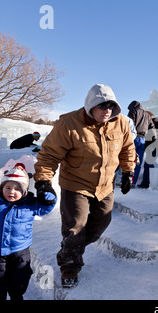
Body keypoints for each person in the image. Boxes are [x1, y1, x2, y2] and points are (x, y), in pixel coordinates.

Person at [34, 84, 136, 288]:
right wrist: (43, 181)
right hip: (76, 184)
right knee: (75, 227)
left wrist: (128, 171)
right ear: (91, 106)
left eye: (111, 106)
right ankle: (70, 265)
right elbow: (49, 155)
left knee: (101, 223)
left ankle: (70, 247)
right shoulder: (69, 123)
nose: (107, 110)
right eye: (102, 105)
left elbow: (127, 148)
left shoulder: (121, 123)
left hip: (105, 185)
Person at [0, 163, 56, 300]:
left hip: (20, 252)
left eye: (17, 188)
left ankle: (16, 296)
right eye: (8, 187)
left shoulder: (30, 205)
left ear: (24, 191)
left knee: (19, 280)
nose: (12, 191)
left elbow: (46, 207)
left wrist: (47, 194)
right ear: (1, 188)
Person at [127, 100, 155, 187]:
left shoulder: (133, 111)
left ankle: (126, 181)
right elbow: (152, 127)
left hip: (133, 138)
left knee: (129, 159)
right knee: (138, 162)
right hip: (143, 139)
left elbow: (129, 124)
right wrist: (154, 138)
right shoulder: (147, 115)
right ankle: (133, 182)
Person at [139, 111, 158, 189]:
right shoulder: (157, 122)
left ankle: (147, 183)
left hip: (154, 147)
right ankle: (148, 182)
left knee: (148, 165)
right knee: (149, 164)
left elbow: (154, 136)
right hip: (155, 147)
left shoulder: (154, 122)